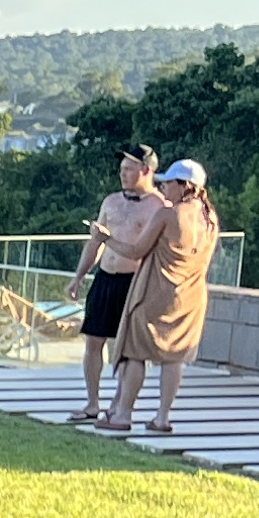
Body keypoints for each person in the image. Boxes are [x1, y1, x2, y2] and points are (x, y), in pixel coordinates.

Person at [103, 158, 218, 435]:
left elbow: (136, 251)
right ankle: (163, 418)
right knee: (173, 357)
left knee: (134, 352)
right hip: (190, 297)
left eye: (168, 183)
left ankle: (123, 414)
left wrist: (104, 238)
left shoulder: (168, 214)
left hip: (155, 293)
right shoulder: (210, 218)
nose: (163, 187)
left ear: (184, 186)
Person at [61, 145, 167, 423]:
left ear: (146, 170)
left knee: (127, 347)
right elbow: (95, 243)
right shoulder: (111, 202)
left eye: (129, 169)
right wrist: (78, 276)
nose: (123, 174)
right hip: (106, 277)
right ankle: (92, 403)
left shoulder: (159, 206)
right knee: (93, 341)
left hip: (134, 281)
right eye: (122, 169)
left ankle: (119, 404)